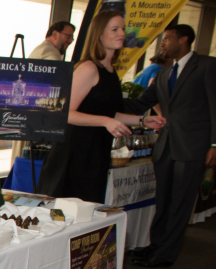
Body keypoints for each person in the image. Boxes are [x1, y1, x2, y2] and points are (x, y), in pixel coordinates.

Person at [36, 11, 165, 203]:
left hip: (96, 152)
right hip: (74, 154)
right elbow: (65, 113)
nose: (121, 33)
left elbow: (106, 112)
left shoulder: (110, 71)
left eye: (122, 28)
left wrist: (142, 120)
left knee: (87, 211)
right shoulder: (89, 68)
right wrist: (105, 121)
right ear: (99, 34)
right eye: (114, 29)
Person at [123, 24, 216, 267]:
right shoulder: (164, 74)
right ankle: (156, 245)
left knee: (180, 203)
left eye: (166, 39)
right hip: (165, 148)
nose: (162, 44)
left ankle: (165, 254)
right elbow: (140, 104)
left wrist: (214, 144)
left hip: (193, 147)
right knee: (163, 201)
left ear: (184, 40)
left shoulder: (207, 66)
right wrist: (107, 102)